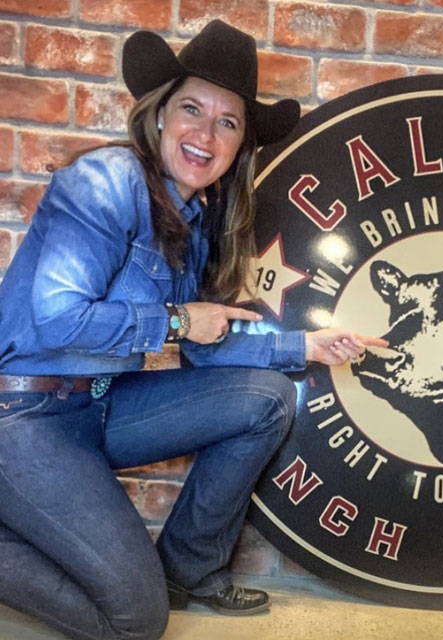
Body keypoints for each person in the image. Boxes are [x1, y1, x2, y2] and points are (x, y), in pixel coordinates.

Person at [0, 20, 386, 640]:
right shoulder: (107, 180)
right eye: (192, 109)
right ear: (158, 116)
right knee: (136, 621)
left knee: (266, 397)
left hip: (97, 410)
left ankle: (188, 568)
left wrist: (305, 347)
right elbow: (58, 318)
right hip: (22, 415)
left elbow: (208, 345)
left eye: (228, 122)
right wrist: (179, 319)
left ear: (239, 147)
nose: (206, 133)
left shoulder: (195, 224)